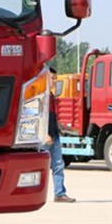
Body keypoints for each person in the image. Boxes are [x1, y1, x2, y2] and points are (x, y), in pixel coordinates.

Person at [47, 67, 76, 202]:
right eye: (52, 78)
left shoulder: (52, 96)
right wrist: (44, 134)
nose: (54, 81)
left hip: (54, 136)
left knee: (58, 165)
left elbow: (53, 116)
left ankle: (59, 194)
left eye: (55, 78)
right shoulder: (40, 96)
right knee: (39, 167)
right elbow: (38, 117)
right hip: (44, 139)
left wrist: (60, 126)